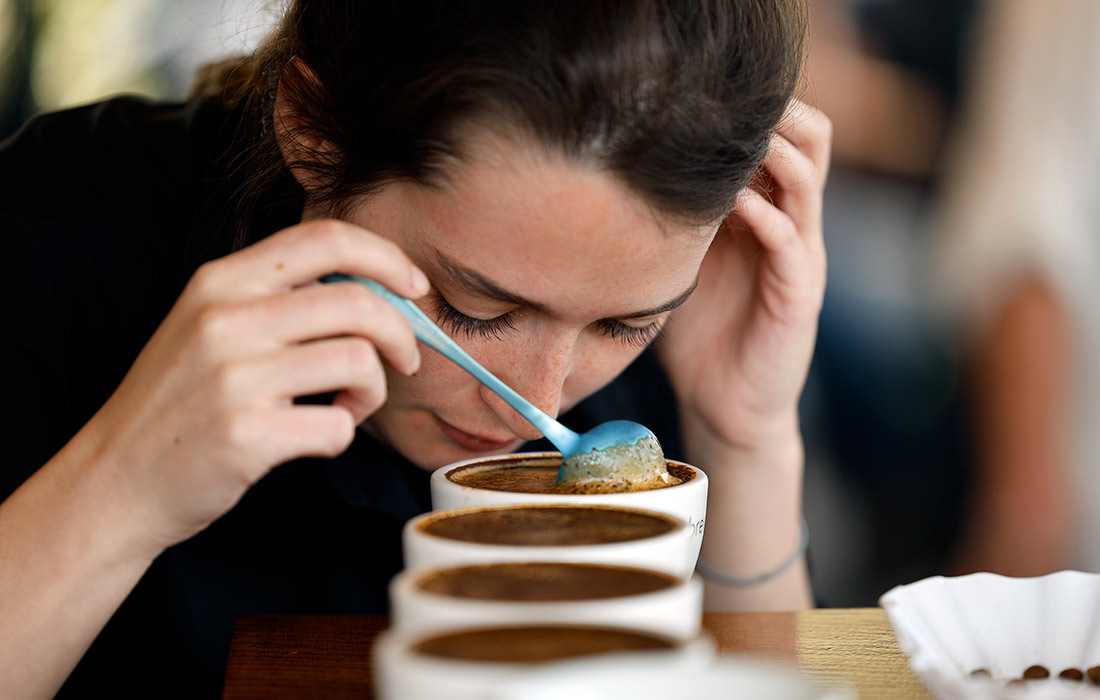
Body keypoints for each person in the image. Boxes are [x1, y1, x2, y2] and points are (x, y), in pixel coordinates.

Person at [0, 1, 830, 697]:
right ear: (311, 133)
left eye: (626, 326)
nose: (536, 405)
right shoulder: (51, 239)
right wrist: (122, 487)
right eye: (476, 306)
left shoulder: (680, 330)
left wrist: (745, 432)